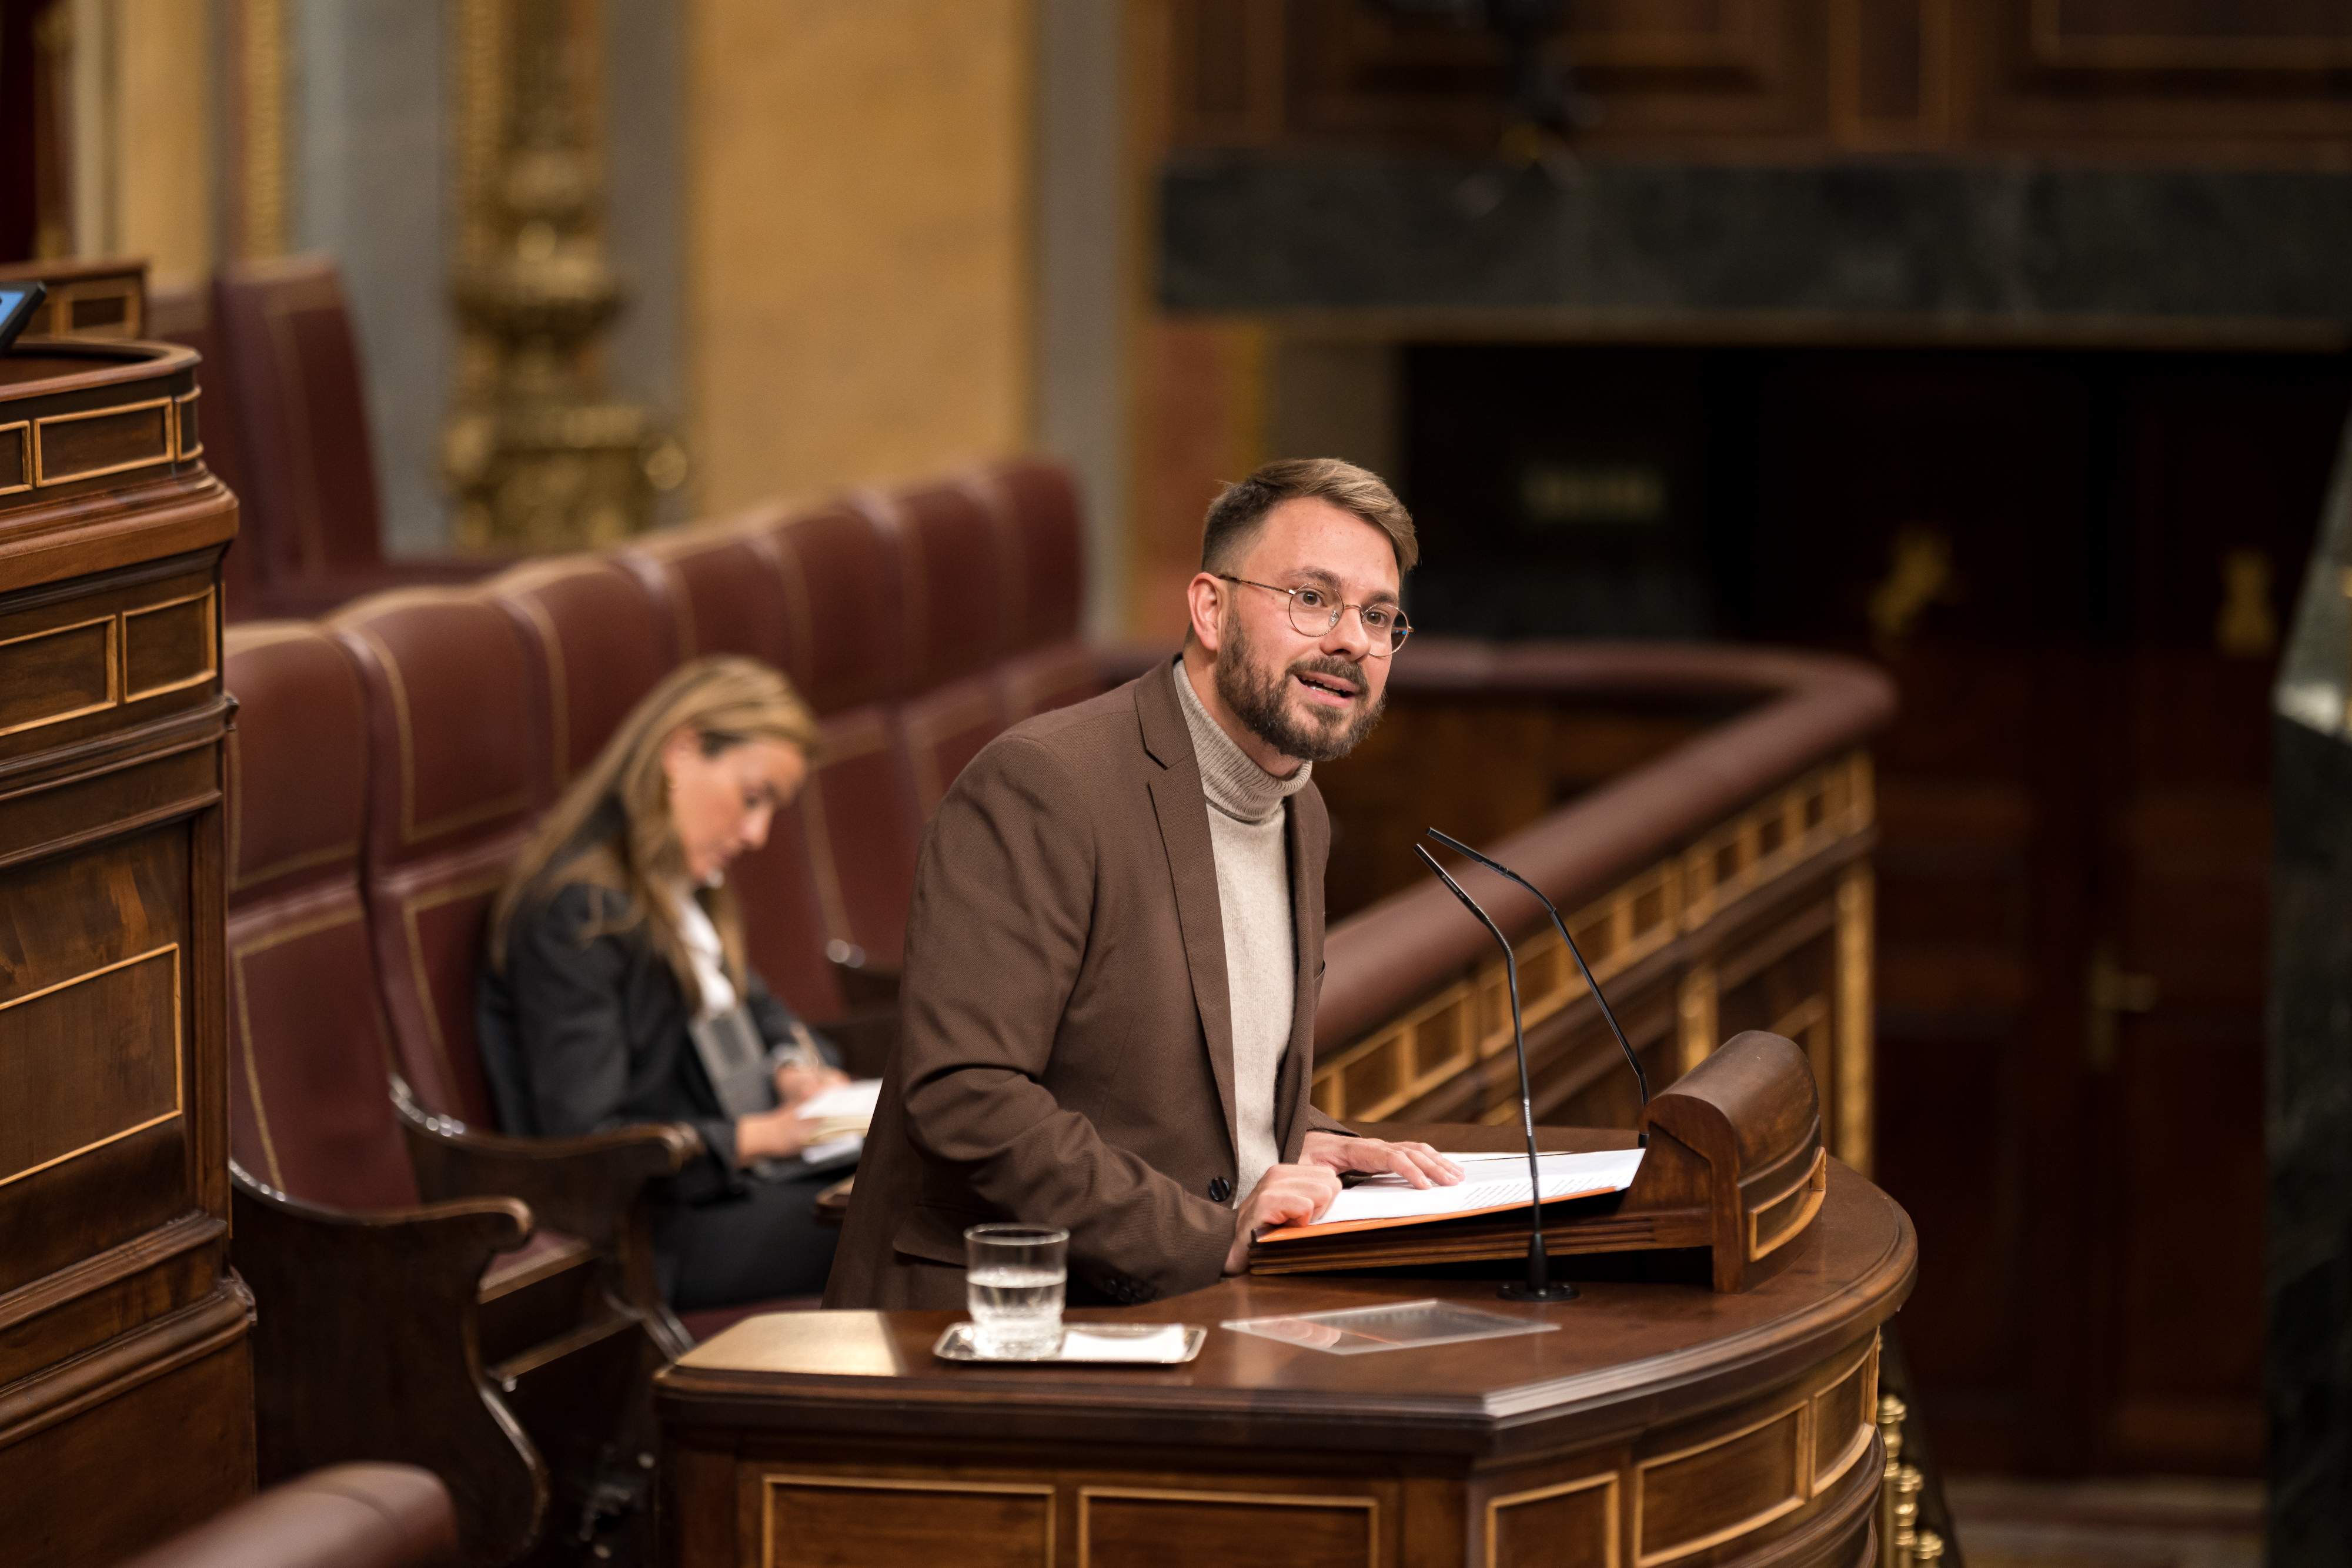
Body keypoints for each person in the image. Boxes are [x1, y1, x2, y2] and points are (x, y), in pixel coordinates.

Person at [828, 457, 1464, 1310]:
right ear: (1210, 607)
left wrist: (1301, 1140)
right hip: (1008, 1323)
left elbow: (1152, 1077)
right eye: (1311, 599)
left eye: (1379, 615)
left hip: (1188, 1303)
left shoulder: (1300, 809)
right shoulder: (1046, 785)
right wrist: (1215, 1233)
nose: (1351, 639)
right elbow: (965, 1094)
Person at [480, 656, 850, 1309]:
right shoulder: (579, 916)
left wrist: (794, 1068)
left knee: (929, 1188)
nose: (757, 834)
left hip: (732, 1189)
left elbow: (763, 1013)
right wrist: (762, 1135)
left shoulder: (682, 890)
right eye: (752, 796)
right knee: (901, 1226)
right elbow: (590, 1138)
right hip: (654, 1235)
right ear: (681, 751)